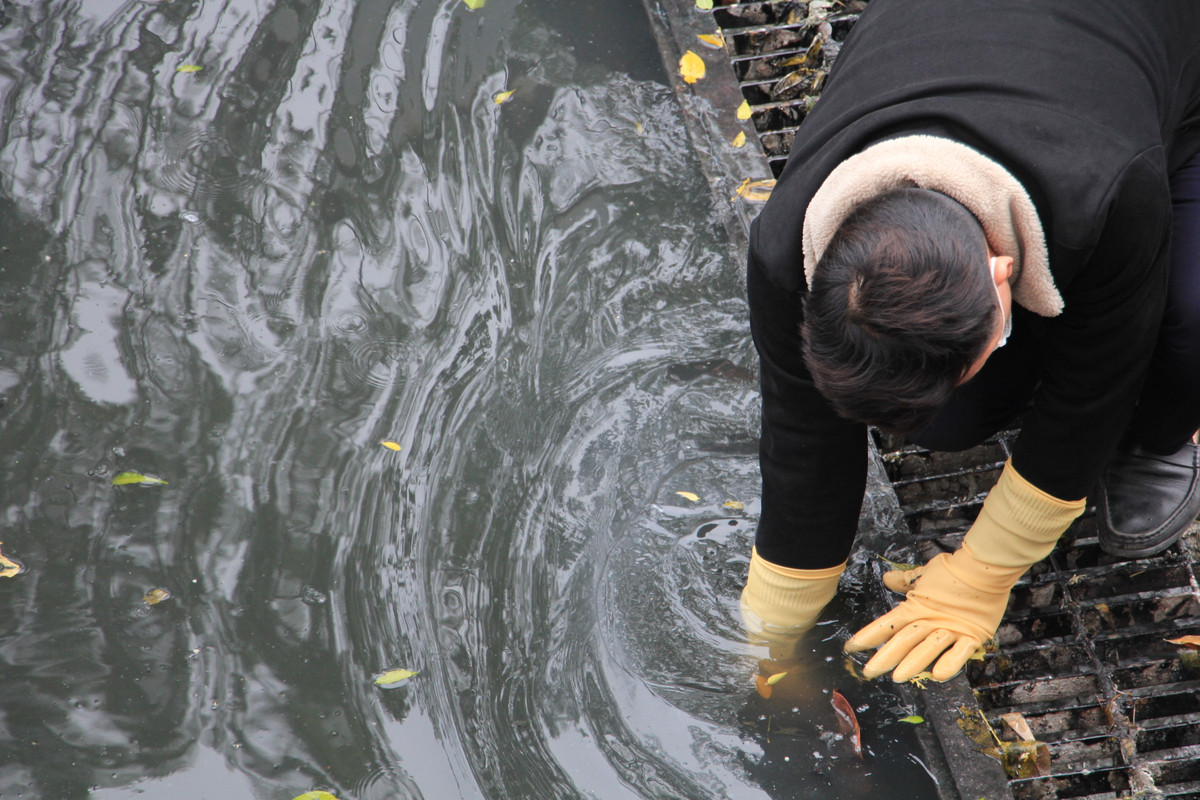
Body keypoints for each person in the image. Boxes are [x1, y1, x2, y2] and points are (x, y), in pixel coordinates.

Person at [739, 0, 1200, 683]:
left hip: (1172, 104)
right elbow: (802, 432)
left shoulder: (1109, 192)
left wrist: (982, 575)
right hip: (1013, 67)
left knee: (1186, 328)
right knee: (947, 417)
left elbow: (1095, 388)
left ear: (1000, 272)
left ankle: (1164, 443)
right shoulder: (787, 248)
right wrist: (772, 642)